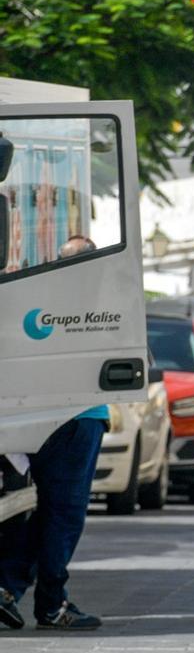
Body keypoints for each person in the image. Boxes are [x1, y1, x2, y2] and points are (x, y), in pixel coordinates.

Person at [0, 236, 108, 631]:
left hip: (43, 415)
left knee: (48, 511)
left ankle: (8, 586)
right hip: (79, 416)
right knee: (65, 514)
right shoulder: (101, 301)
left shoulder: (35, 297)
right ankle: (51, 604)